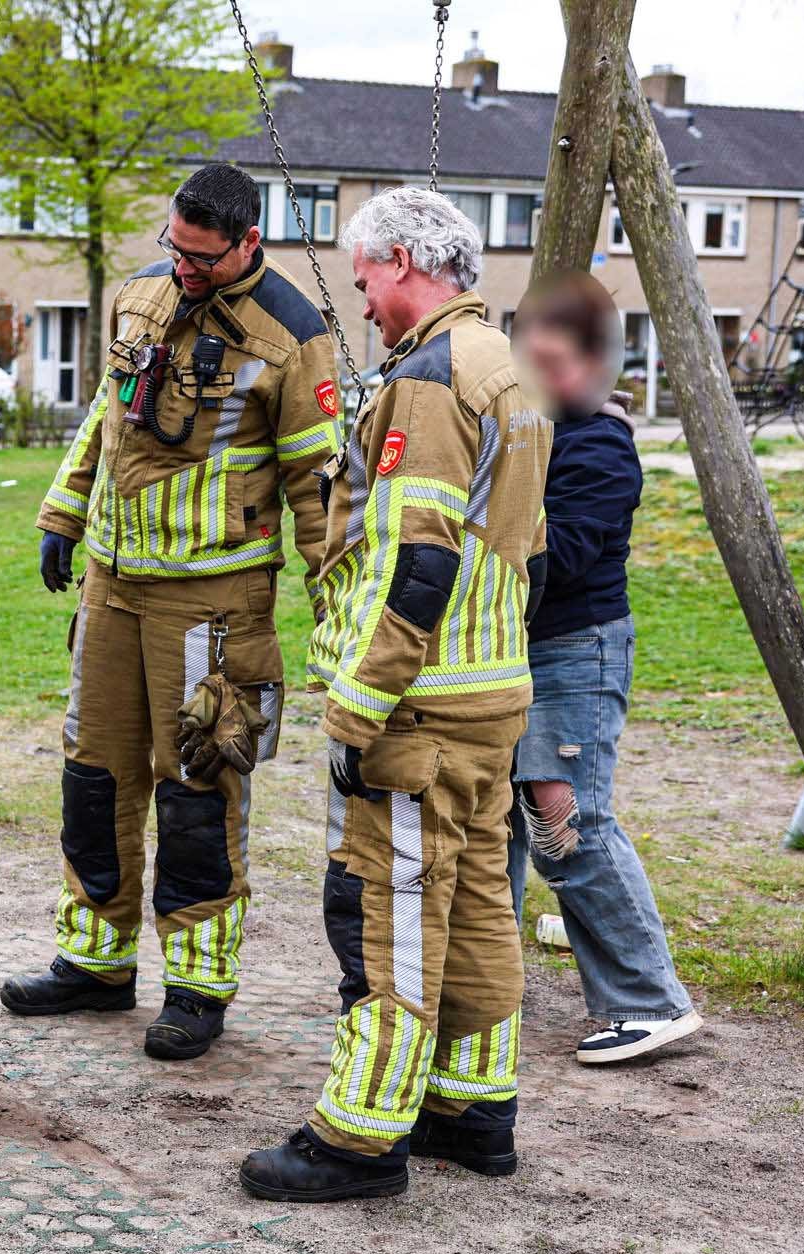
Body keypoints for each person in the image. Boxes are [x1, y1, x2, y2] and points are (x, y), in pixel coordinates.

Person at [240, 188, 552, 1201]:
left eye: (367, 276)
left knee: (397, 910)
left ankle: (360, 1137)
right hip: (490, 691)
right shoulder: (508, 366)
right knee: (478, 905)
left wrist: (360, 705)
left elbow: (415, 559)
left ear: (407, 258)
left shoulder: (427, 377)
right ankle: (473, 1108)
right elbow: (527, 555)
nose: (364, 300)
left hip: (417, 704)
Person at [0, 162, 341, 1061]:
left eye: (203, 258)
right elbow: (107, 420)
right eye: (175, 250)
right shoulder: (142, 294)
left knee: (200, 786)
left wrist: (337, 613)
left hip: (215, 603)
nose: (184, 269)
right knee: (94, 777)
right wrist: (63, 512)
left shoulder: (297, 336)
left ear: (248, 242)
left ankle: (198, 987)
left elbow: (318, 486)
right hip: (113, 587)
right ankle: (95, 961)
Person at [507, 271, 703, 1064]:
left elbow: (562, 551)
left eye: (554, 361)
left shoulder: (600, 447)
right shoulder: (525, 427)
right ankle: (484, 983)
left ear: (595, 365)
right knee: (501, 821)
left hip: (572, 648)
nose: (537, 374)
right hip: (515, 644)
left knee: (565, 819)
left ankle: (650, 1001)